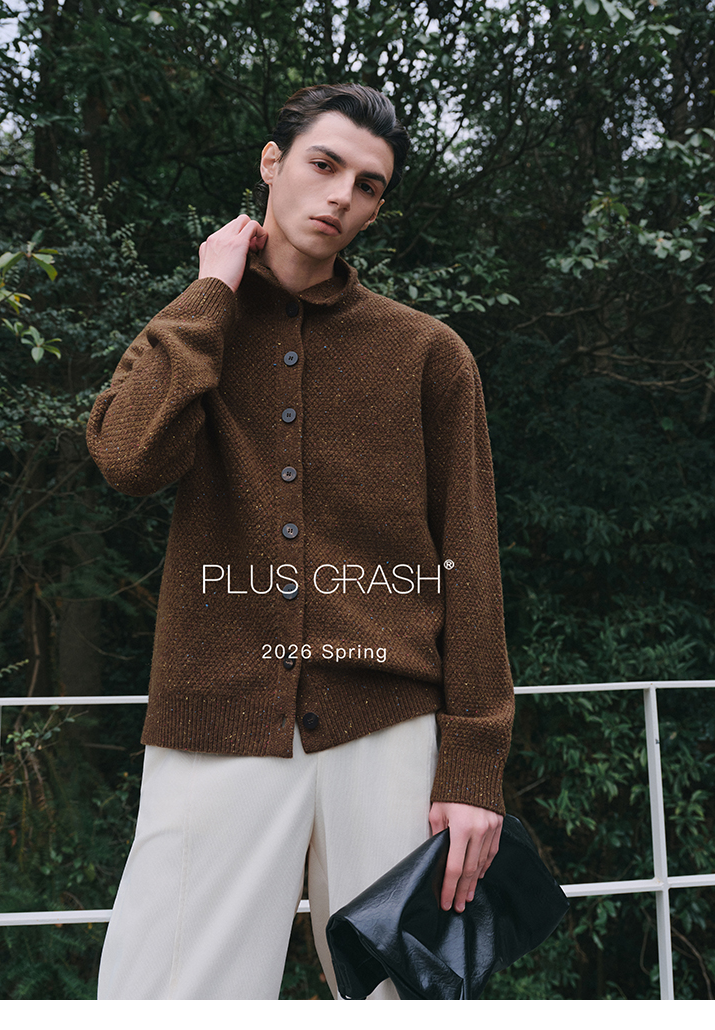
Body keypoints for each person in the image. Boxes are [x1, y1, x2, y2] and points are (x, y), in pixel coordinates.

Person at [87, 82, 514, 1001]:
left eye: (368, 185)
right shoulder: (196, 327)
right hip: (217, 720)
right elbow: (126, 457)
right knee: (164, 997)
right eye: (324, 165)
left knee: (404, 1003)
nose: (341, 197)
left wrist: (474, 765)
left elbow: (470, 563)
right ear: (272, 162)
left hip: (388, 730)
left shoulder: (428, 354)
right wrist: (211, 290)